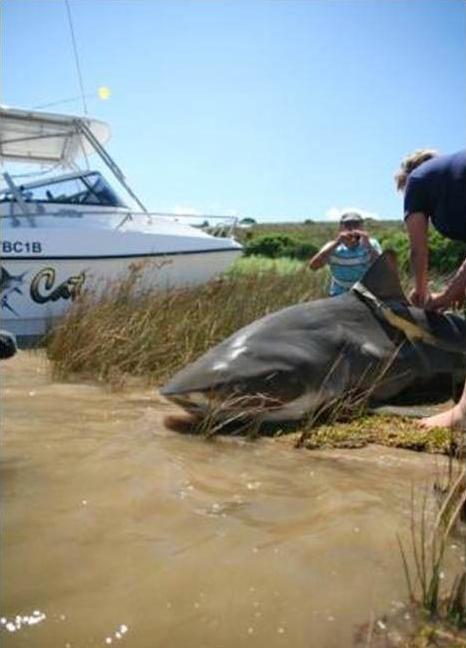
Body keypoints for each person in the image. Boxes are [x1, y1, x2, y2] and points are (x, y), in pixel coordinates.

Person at [395, 148, 466, 428]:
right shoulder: (452, 175)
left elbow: (418, 250)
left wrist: (421, 293)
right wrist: (450, 294)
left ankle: (463, 415)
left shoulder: (418, 179)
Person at [308, 211, 382, 296]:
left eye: (356, 224)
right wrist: (337, 242)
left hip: (365, 293)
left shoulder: (372, 244)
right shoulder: (332, 247)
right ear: (341, 228)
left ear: (362, 227)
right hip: (339, 293)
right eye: (348, 225)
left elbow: (382, 269)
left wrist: (368, 245)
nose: (352, 228)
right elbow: (313, 266)